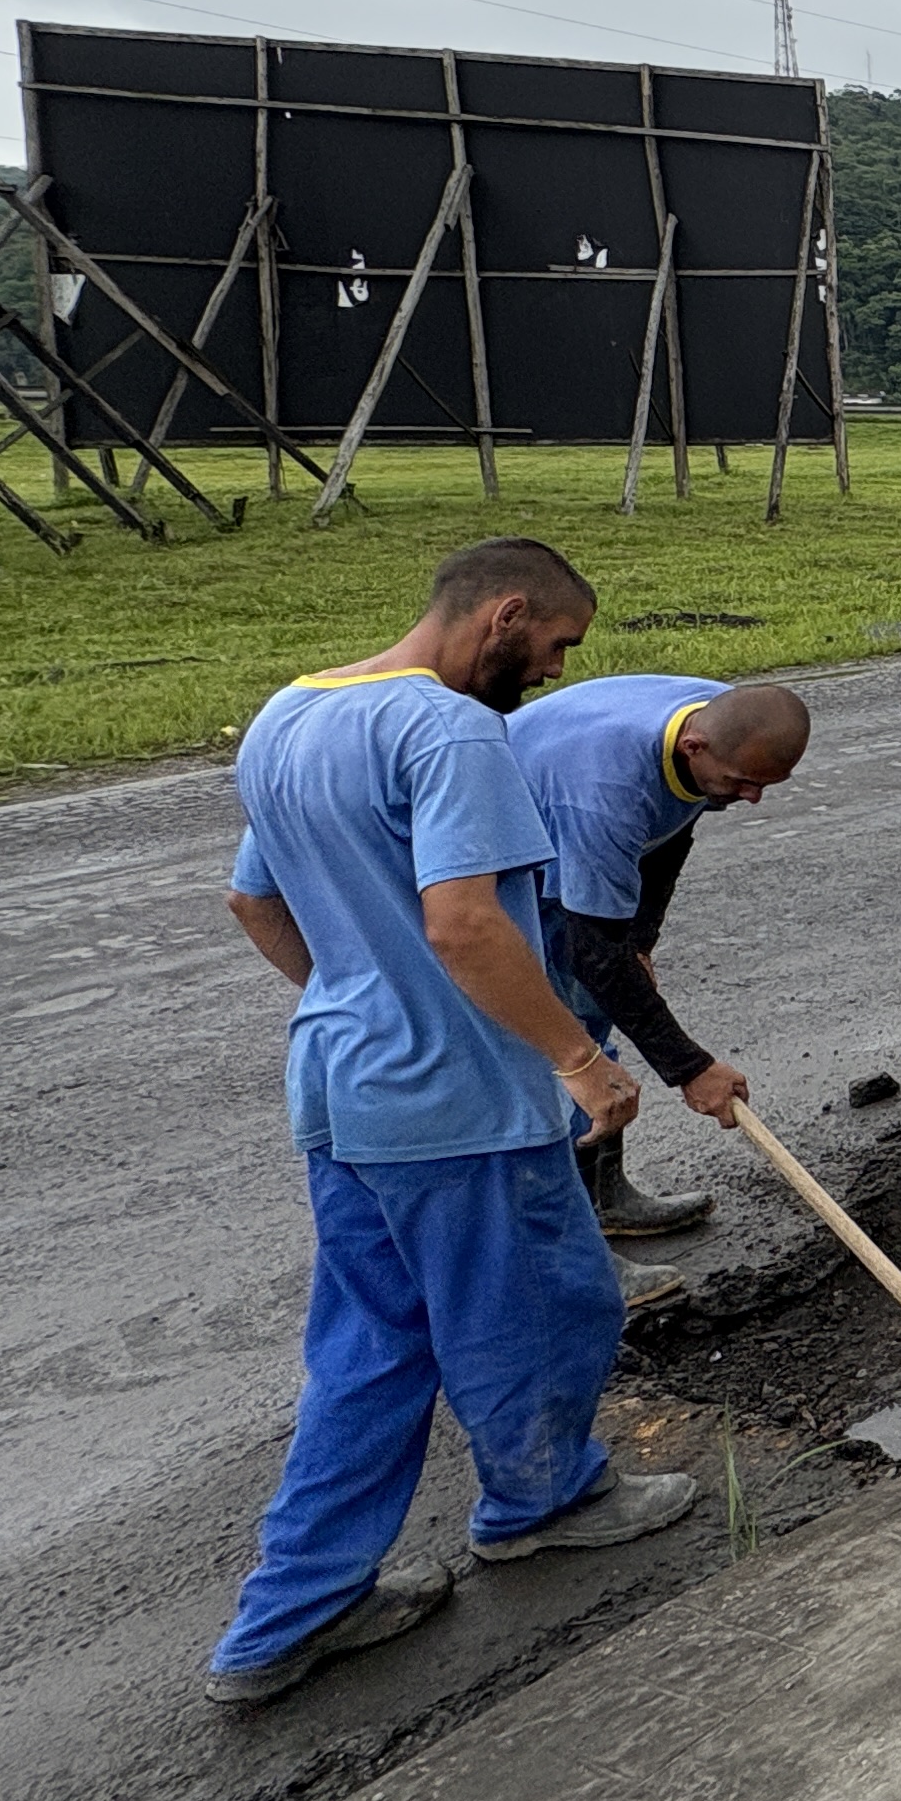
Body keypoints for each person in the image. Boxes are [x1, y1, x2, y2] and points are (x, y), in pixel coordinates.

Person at [205, 537, 698, 1708]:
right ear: (505, 616)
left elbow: (253, 899)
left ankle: (288, 1618)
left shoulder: (290, 714)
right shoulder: (449, 731)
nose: (552, 670)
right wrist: (579, 1059)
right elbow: (468, 926)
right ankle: (546, 1503)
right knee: (546, 1304)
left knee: (370, 1348)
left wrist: (361, 995)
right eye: (556, 646)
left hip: (341, 1088)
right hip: (457, 1105)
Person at [503, 674, 812, 1242]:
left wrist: (639, 941)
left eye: (767, 785)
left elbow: (672, 831)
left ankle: (603, 1198)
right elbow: (593, 954)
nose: (754, 798)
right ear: (694, 746)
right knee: (562, 1046)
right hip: (510, 855)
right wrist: (692, 1071)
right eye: (744, 783)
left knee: (595, 1012)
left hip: (572, 819)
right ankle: (569, 1236)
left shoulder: (719, 724)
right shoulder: (608, 795)